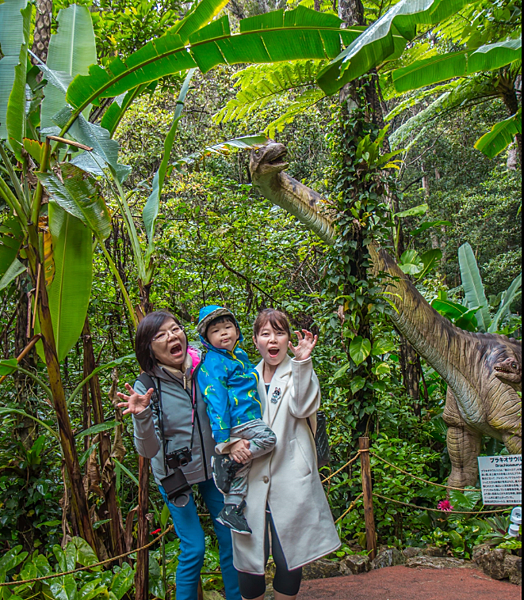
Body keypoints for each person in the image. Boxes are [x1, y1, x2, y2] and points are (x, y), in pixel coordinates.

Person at [116, 310, 241, 600]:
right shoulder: (147, 385)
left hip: (213, 467)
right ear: (149, 348)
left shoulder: (206, 365)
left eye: (175, 329)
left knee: (230, 537)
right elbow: (147, 450)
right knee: (194, 547)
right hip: (175, 474)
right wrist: (142, 415)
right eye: (160, 335)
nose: (172, 337)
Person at [231, 308, 340, 600]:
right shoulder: (242, 378)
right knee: (249, 566)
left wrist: (303, 362)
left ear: (289, 338)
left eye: (279, 332)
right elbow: (227, 421)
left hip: (291, 479)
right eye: (265, 333)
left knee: (288, 558)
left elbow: (303, 407)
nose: (273, 339)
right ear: (255, 341)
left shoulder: (299, 372)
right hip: (250, 481)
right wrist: (231, 446)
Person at [196, 305, 277, 535]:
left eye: (228, 327)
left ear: (237, 330)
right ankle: (227, 463)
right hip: (240, 419)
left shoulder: (239, 356)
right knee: (268, 439)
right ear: (206, 339)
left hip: (247, 416)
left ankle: (231, 509)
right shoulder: (212, 363)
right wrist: (224, 441)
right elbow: (216, 401)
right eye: (216, 331)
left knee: (243, 465)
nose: (224, 333)